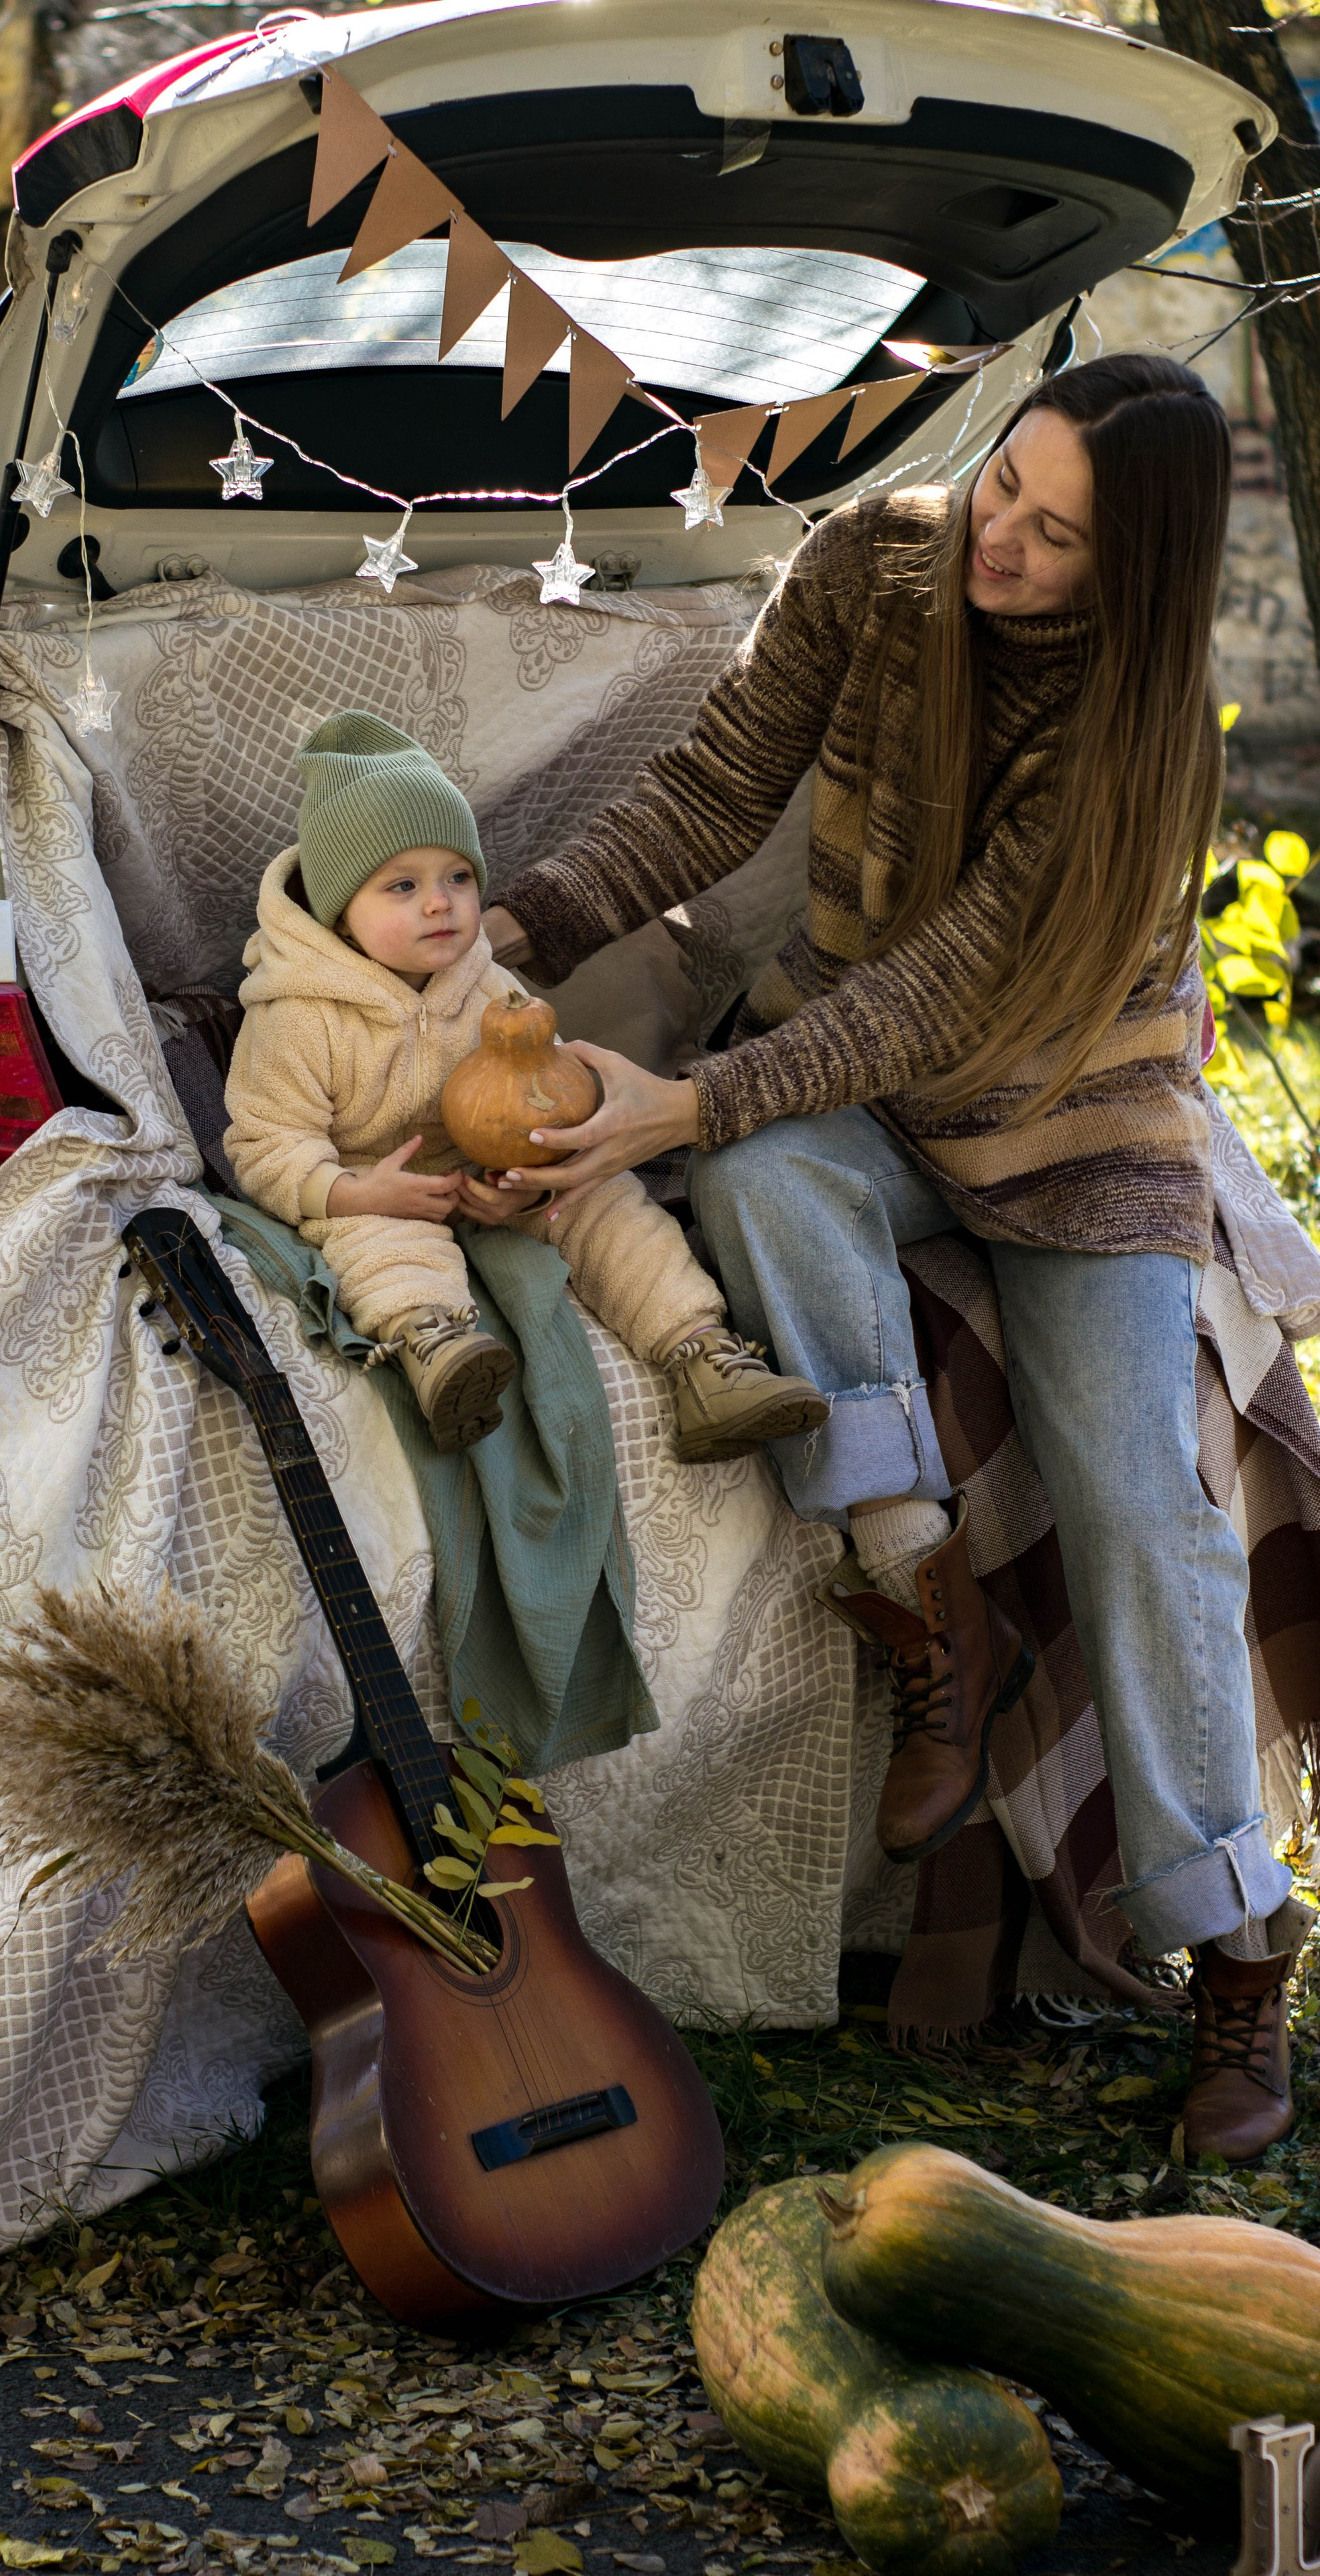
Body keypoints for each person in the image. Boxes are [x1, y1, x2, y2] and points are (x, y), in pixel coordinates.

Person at [479, 354, 1311, 2163]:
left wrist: (678, 1107)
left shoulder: (1140, 742)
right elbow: (712, 794)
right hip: (859, 1084)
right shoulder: (873, 566)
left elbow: (947, 997)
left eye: (1057, 536)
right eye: (1008, 482)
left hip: (1072, 1134)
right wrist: (513, 934)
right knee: (770, 1164)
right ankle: (925, 1602)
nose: (1000, 538)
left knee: (1136, 1495)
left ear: (1137, 576)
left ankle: (1238, 1952)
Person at [222, 711, 830, 1455]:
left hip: (497, 1182)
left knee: (608, 1207)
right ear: (341, 916)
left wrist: (532, 1181)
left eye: (457, 878)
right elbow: (263, 1145)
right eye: (402, 886)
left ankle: (700, 1357)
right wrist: (352, 1192)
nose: (440, 903)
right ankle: (436, 1349)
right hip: (370, 1184)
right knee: (377, 1245)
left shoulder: (486, 985)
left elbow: (547, 1094)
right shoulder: (297, 1015)